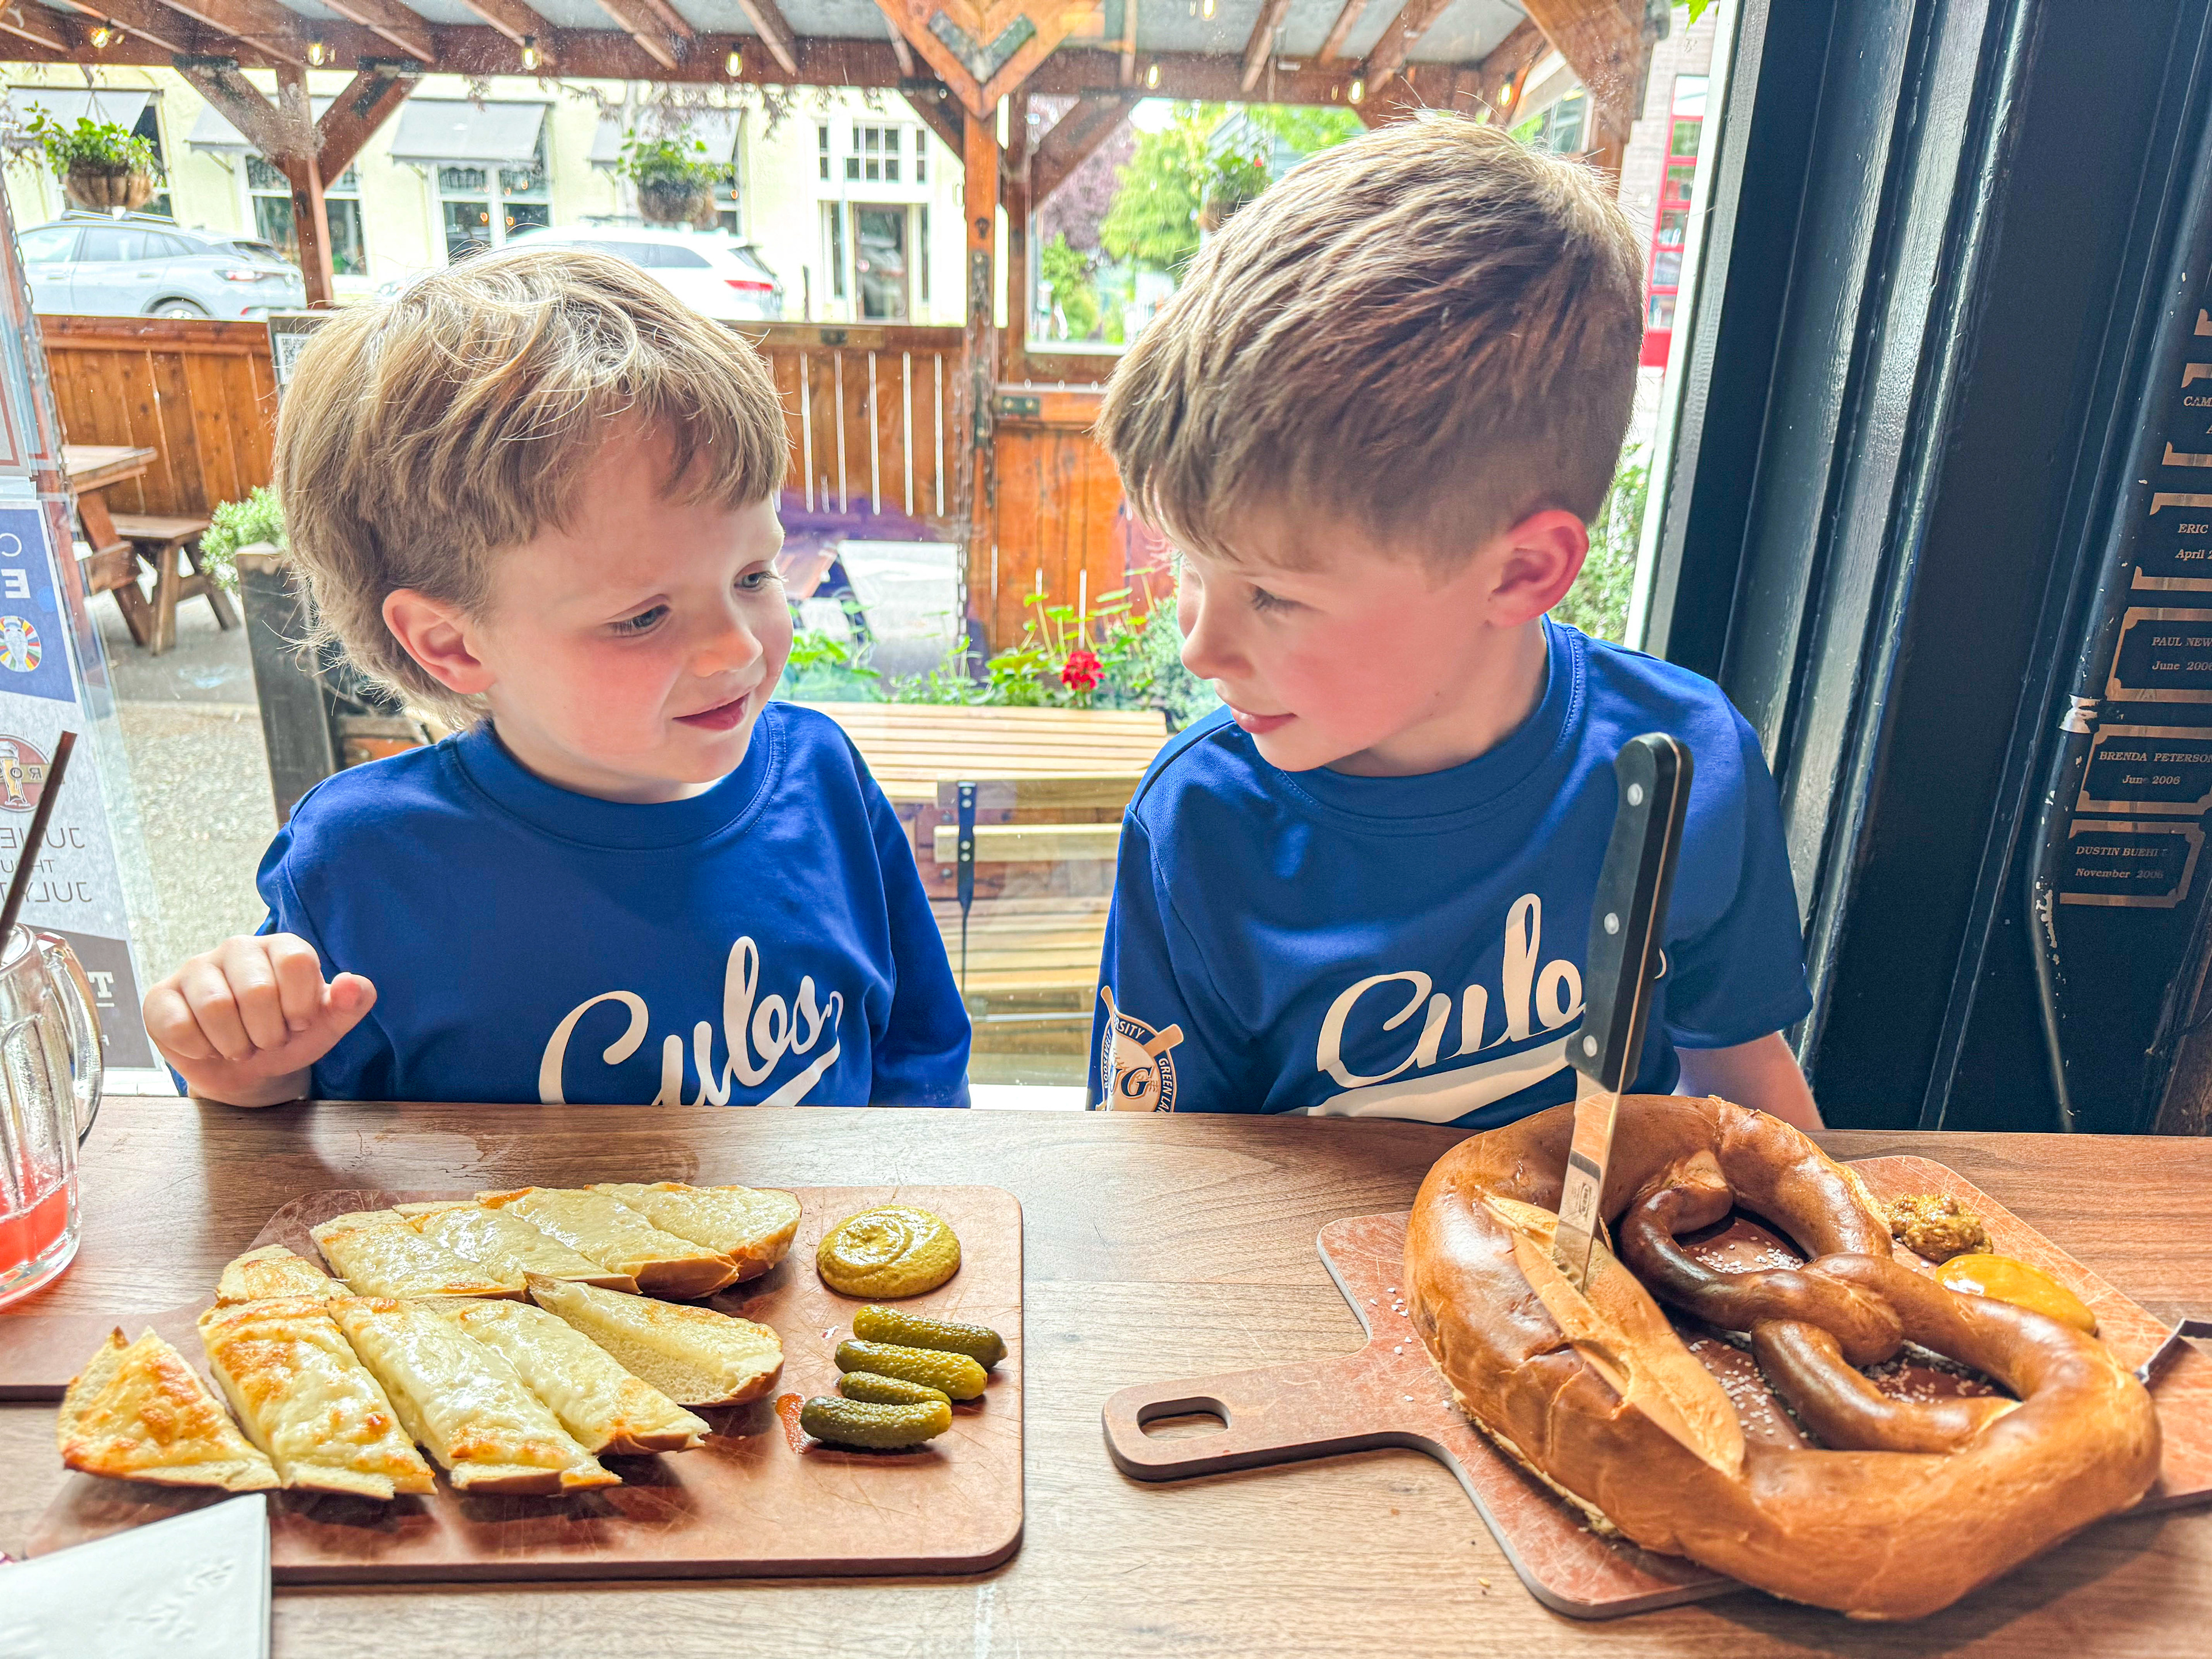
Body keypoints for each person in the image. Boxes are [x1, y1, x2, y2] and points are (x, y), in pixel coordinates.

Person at [1086, 116, 1821, 1131]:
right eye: (1187, 566)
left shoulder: (1685, 766)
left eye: (1274, 596)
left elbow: (1743, 1081)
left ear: (1523, 572)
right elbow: (1154, 1165)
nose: (1198, 648)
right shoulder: (1200, 829)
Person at [143, 249, 969, 1109]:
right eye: (643, 616)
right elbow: (282, 1119)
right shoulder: (365, 865)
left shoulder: (825, 779)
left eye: (755, 575)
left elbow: (921, 1050)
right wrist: (244, 1061)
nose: (736, 649)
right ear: (451, 644)